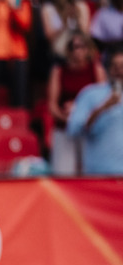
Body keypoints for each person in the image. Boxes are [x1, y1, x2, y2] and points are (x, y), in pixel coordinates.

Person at [47, 31, 105, 174]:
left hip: (88, 128)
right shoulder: (59, 71)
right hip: (65, 127)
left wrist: (81, 115)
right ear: (68, 50)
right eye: (74, 47)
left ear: (88, 49)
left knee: (89, 172)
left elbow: (103, 101)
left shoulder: (96, 69)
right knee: (63, 173)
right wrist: (70, 119)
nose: (77, 51)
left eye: (81, 47)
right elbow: (52, 105)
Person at [66, 48, 123, 174]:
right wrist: (102, 108)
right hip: (98, 175)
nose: (119, 71)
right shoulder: (90, 94)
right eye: (115, 66)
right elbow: (74, 129)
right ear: (108, 69)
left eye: (122, 66)